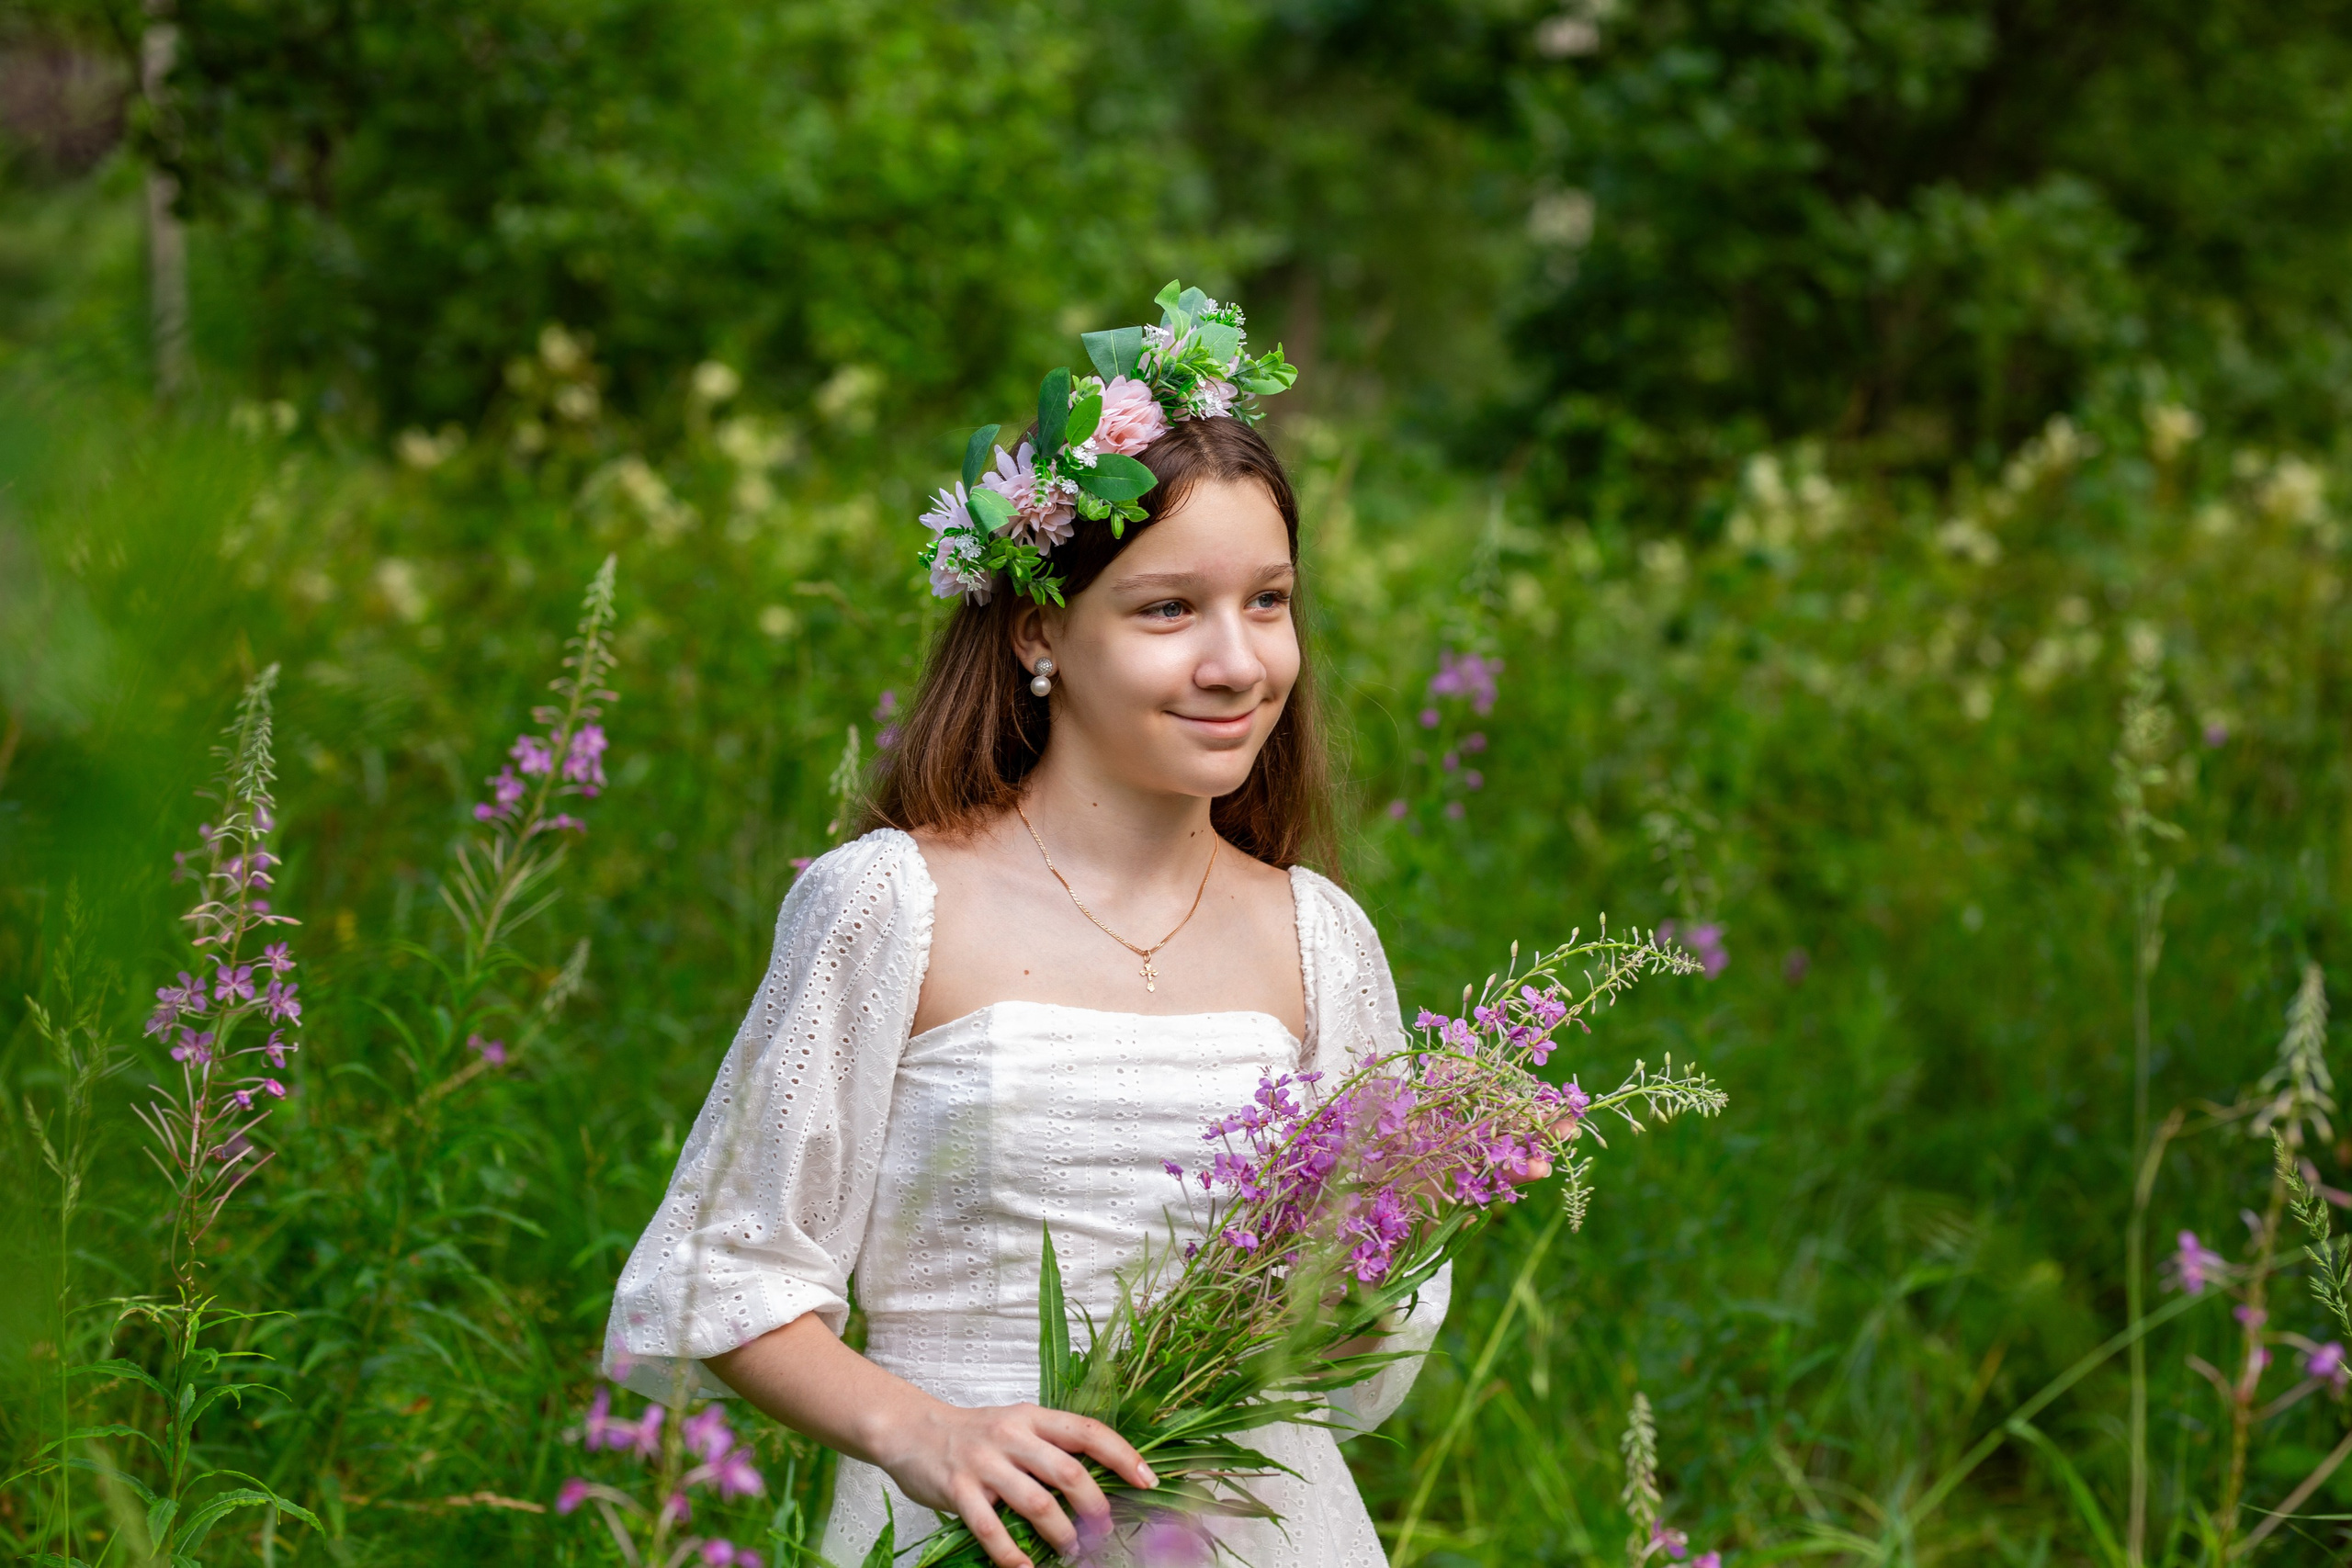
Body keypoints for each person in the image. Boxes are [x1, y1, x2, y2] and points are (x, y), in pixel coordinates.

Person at [605, 288, 1449, 1568]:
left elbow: (1349, 1373)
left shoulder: (1322, 936)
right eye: (1169, 610)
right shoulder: (887, 903)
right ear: (1044, 628)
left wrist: (1428, 1190)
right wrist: (924, 1434)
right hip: (966, 1538)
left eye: (1268, 601)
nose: (1239, 661)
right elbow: (723, 1275)